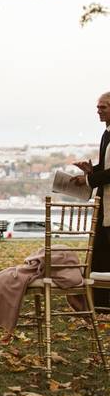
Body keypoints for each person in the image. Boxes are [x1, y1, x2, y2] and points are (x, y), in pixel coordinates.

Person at [71, 91, 110, 308]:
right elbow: (106, 168)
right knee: (99, 257)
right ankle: (101, 306)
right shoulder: (106, 134)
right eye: (98, 107)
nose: (98, 110)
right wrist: (90, 171)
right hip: (104, 205)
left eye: (103, 107)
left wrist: (89, 179)